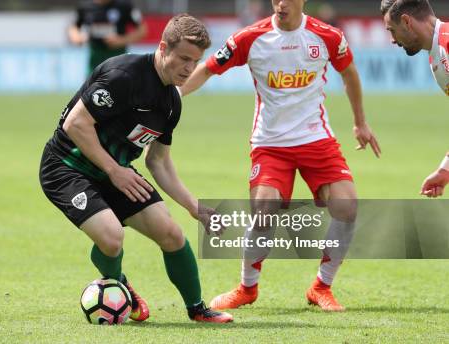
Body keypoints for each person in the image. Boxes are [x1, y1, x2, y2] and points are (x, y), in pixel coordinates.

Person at [179, 0, 381, 312]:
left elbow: (350, 74)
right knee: (264, 209)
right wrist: (173, 96)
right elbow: (207, 69)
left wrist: (360, 122)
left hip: (316, 139)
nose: (281, 4)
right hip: (270, 144)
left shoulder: (327, 36)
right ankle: (247, 288)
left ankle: (321, 287)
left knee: (347, 205)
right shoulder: (249, 38)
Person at [40, 14, 233, 323]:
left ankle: (198, 310)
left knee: (170, 233)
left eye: (195, 61)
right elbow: (75, 124)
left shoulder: (172, 102)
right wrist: (115, 171)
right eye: (183, 58)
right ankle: (121, 289)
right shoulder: (124, 75)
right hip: (66, 167)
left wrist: (194, 206)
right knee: (112, 237)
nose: (189, 68)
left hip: (115, 171)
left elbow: (158, 161)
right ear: (163, 48)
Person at [380, 0, 449, 197]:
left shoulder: (446, 45)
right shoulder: (436, 55)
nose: (392, 39)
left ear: (407, 21)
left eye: (391, 30)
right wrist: (445, 170)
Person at [68, 0, 148, 73]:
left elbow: (142, 30)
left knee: (120, 85)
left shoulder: (125, 5)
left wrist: (122, 40)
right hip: (95, 56)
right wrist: (77, 37)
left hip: (118, 55)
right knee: (92, 87)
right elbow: (73, 27)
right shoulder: (85, 6)